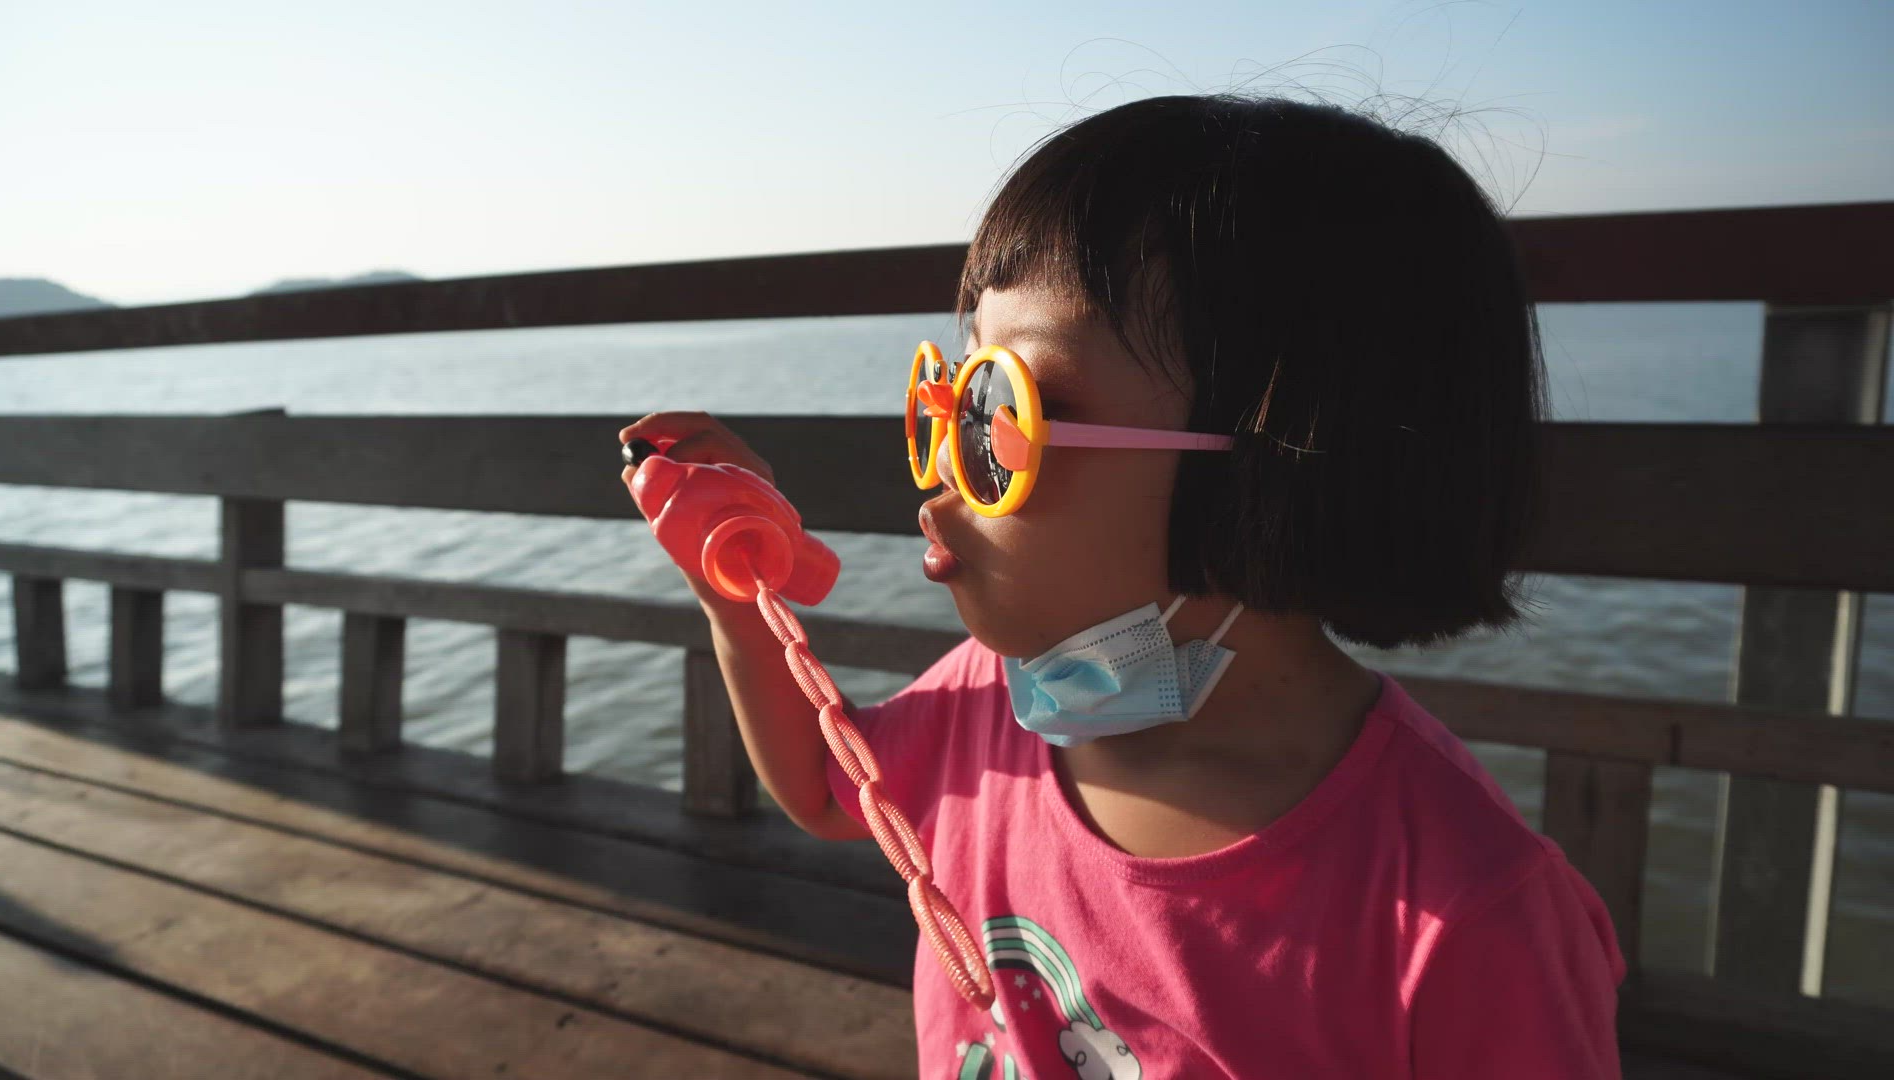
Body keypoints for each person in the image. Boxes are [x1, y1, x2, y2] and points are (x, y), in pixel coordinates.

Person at [620, 92, 1626, 1079]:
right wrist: (732, 589)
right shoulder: (998, 701)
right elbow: (826, 787)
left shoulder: (1463, 915)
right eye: (952, 389)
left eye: (1004, 409)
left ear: (1274, 470)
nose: (945, 465)